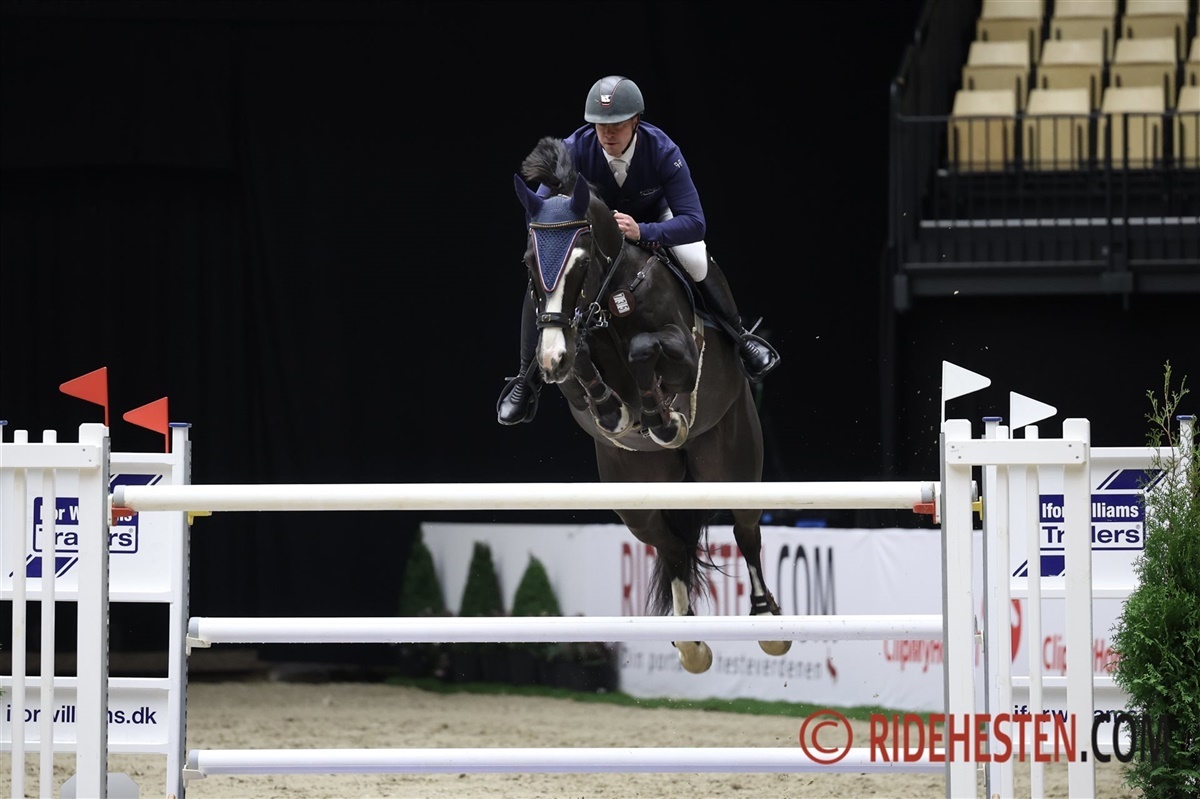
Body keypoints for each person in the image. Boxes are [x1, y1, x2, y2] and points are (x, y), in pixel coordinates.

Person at [498, 75, 780, 425]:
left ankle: (740, 337)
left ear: (635, 121)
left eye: (616, 124)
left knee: (694, 257)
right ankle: (526, 379)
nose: (607, 134)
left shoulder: (663, 150)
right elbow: (539, 212)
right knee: (543, 278)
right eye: (600, 125)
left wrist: (643, 231)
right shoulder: (573, 149)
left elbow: (695, 222)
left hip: (653, 219)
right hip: (597, 232)